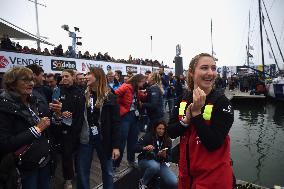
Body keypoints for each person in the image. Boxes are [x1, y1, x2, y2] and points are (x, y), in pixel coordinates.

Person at [168, 53, 234, 189]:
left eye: (214, 68)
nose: (210, 73)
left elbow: (213, 143)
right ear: (191, 72)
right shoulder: (183, 99)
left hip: (213, 180)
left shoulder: (222, 102)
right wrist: (186, 121)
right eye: (204, 68)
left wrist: (197, 114)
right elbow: (171, 132)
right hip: (186, 177)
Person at [0, 67, 61, 189]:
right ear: (12, 83)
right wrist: (36, 130)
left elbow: (47, 127)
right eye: (25, 80)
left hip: (45, 161)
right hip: (23, 168)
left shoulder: (34, 101)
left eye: (32, 79)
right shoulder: (3, 106)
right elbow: (4, 144)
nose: (31, 83)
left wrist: (57, 115)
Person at [77, 67, 120, 189]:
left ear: (98, 76)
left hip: (104, 138)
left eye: (89, 74)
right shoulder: (83, 94)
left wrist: (116, 146)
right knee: (82, 171)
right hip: (86, 137)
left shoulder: (110, 96)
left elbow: (116, 123)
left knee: (108, 171)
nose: (86, 76)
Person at [113, 74, 146, 169]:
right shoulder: (126, 86)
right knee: (122, 140)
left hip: (134, 117)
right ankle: (115, 165)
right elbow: (114, 95)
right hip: (125, 117)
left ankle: (131, 160)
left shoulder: (135, 89)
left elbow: (138, 97)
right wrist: (120, 108)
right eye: (142, 81)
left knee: (133, 140)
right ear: (138, 80)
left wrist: (145, 94)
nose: (143, 83)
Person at [59, 69, 85, 189]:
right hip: (65, 129)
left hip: (78, 129)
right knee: (66, 155)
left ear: (73, 77)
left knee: (79, 155)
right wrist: (60, 112)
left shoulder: (81, 92)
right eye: (62, 76)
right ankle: (68, 179)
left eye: (67, 76)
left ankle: (79, 173)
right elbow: (55, 109)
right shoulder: (59, 91)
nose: (64, 78)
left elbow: (81, 114)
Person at [135, 121, 177, 189]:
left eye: (163, 129)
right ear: (155, 129)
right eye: (159, 128)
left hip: (160, 163)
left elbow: (170, 158)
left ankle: (156, 180)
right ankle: (142, 183)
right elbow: (135, 148)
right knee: (155, 166)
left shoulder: (168, 140)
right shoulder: (148, 136)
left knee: (173, 182)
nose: (161, 131)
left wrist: (165, 156)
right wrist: (144, 148)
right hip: (145, 160)